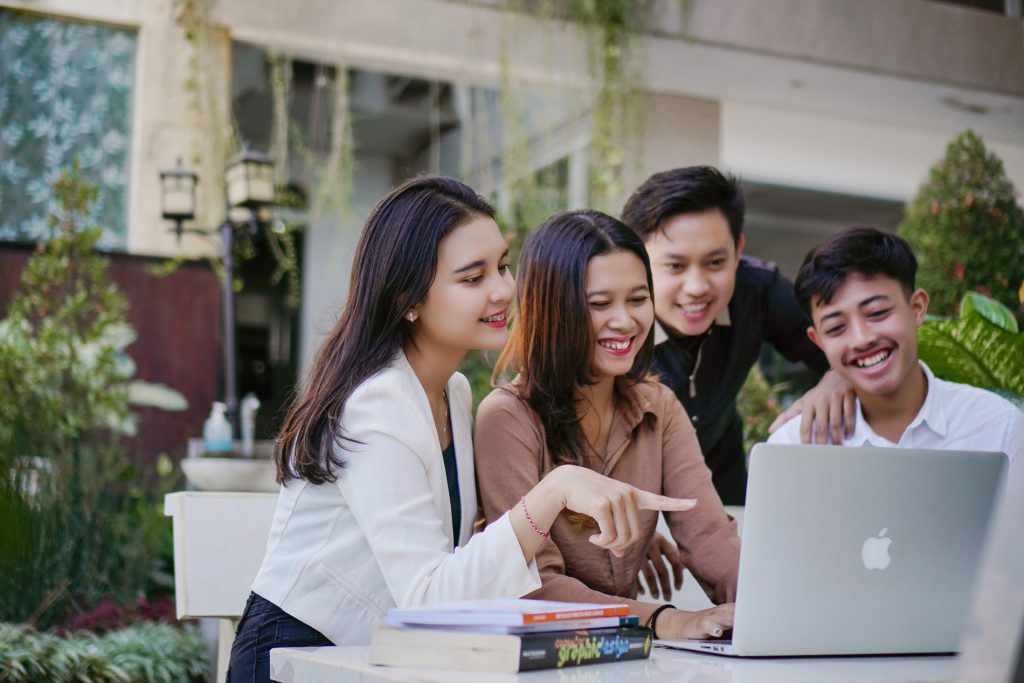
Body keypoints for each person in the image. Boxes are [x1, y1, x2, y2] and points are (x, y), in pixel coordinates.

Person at [227, 177, 697, 682]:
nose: (502, 290)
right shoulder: (376, 406)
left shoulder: (452, 391)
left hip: (377, 659)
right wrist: (554, 492)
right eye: (472, 278)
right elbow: (428, 598)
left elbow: (457, 556)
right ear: (408, 298)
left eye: (501, 265)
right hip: (295, 657)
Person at [475, 209, 740, 641]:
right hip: (544, 661)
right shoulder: (506, 418)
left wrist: (767, 604)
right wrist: (662, 618)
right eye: (599, 304)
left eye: (637, 299)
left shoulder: (660, 406)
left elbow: (707, 532)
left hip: (630, 664)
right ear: (553, 310)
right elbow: (532, 585)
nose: (625, 321)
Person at [621, 166, 854, 504]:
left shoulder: (759, 289)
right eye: (675, 266)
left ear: (737, 248)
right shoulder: (604, 314)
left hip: (720, 481)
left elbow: (846, 348)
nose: (697, 287)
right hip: (624, 491)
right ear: (637, 259)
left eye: (715, 263)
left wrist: (837, 377)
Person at [768, 226, 1023, 467]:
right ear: (818, 341)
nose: (861, 339)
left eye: (877, 313)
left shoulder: (998, 425)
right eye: (836, 328)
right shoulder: (794, 445)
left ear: (917, 308)